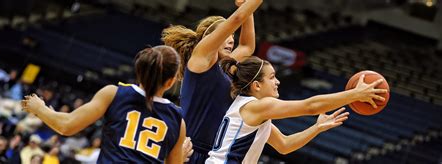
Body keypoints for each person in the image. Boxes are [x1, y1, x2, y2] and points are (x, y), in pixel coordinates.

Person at [205, 56, 388, 163]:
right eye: (272, 77)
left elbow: (284, 146)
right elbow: (310, 106)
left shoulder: (255, 112)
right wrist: (355, 95)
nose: (277, 82)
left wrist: (316, 128)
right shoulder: (257, 107)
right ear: (257, 86)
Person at [21, 45, 186, 163]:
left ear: (140, 70)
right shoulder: (178, 121)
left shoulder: (114, 93)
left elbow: (67, 125)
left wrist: (39, 108)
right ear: (170, 82)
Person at [162, 0, 262, 162]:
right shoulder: (201, 59)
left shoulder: (224, 68)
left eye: (232, 37)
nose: (231, 40)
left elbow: (247, 46)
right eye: (227, 35)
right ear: (211, 38)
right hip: (188, 149)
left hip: (213, 153)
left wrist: (246, 8)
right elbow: (236, 19)